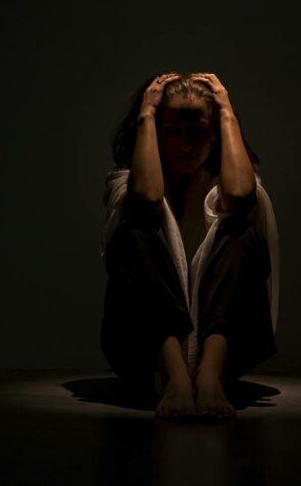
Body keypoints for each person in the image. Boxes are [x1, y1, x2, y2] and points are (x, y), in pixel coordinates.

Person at [99, 71, 280, 421]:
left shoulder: (230, 177)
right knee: (134, 232)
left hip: (230, 350)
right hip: (142, 354)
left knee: (240, 232)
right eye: (172, 132)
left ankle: (211, 376)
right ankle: (175, 378)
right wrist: (147, 113)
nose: (186, 145)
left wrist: (226, 110)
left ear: (215, 133)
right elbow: (147, 200)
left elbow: (240, 196)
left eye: (198, 132)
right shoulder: (126, 181)